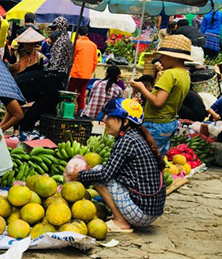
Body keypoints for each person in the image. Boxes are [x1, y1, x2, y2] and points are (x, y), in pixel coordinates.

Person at [68, 98, 165, 232]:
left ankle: (120, 221)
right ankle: (122, 218)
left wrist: (80, 176)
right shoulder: (135, 136)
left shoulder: (127, 141)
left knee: (98, 172)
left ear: (125, 121)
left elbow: (104, 175)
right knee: (97, 173)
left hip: (141, 214)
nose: (105, 121)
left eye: (110, 117)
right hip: (150, 212)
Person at [129, 34, 192, 156]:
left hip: (156, 124)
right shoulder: (185, 74)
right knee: (157, 159)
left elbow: (158, 102)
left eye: (162, 56)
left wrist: (141, 87)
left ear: (172, 57)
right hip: (169, 123)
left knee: (143, 158)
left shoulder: (170, 74)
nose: (161, 60)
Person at [68, 26, 99, 113]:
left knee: (69, 93)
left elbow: (72, 57)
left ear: (78, 34)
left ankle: (67, 112)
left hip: (77, 73)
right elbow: (95, 61)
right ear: (86, 34)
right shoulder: (93, 45)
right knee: (81, 96)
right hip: (87, 74)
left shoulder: (76, 43)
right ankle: (81, 112)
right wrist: (89, 71)